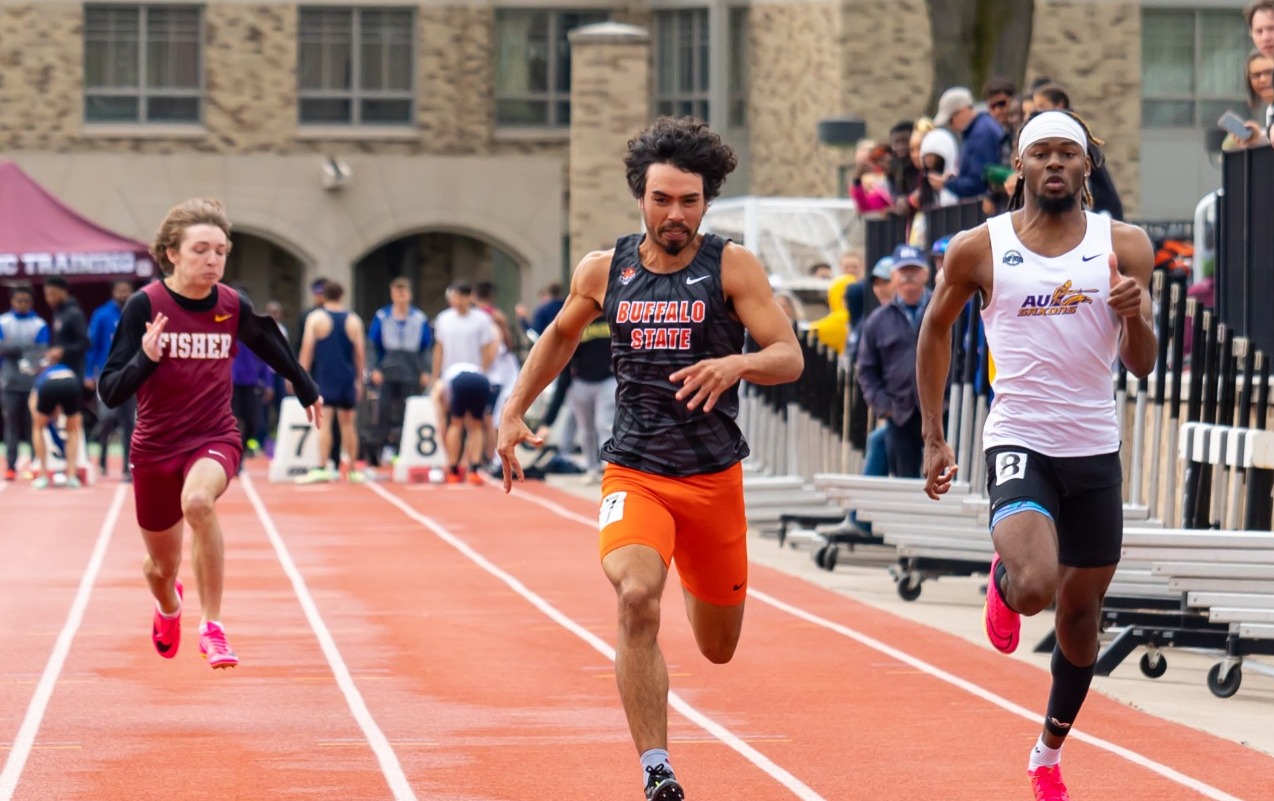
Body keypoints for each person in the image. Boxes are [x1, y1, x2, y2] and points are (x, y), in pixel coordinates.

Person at [496, 116, 803, 801]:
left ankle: (704, 597)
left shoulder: (731, 266)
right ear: (641, 195)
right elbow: (558, 337)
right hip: (635, 471)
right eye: (662, 199)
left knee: (718, 646)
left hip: (714, 478)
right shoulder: (605, 269)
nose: (674, 214)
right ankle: (656, 767)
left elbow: (790, 357)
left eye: (688, 201)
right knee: (636, 598)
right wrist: (514, 407)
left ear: (707, 200)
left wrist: (736, 363)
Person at [915, 110, 1156, 801]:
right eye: (1041, 153)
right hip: (1020, 436)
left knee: (1081, 619)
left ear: (1088, 166)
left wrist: (1134, 312)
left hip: (1094, 449)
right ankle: (1008, 573)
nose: (1055, 163)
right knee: (1035, 585)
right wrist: (934, 434)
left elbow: (1141, 364)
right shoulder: (979, 247)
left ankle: (1047, 751)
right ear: (1017, 166)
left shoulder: (1125, 245)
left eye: (1068, 154)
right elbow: (934, 331)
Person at [99, 198, 321, 670]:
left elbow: (269, 344)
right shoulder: (146, 305)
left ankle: (213, 627)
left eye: (221, 250)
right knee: (160, 568)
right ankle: (168, 606)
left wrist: (305, 387)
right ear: (172, 254)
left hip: (213, 436)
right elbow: (111, 391)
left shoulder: (231, 305)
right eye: (201, 249)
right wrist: (146, 359)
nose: (213, 260)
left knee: (198, 503)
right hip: (155, 447)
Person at [855, 244, 931, 478]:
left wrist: (947, 397)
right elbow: (866, 370)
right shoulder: (878, 320)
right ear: (894, 276)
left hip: (942, 412)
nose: (909, 276)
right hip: (900, 414)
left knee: (945, 479)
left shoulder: (942, 309)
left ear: (925, 274)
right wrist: (884, 406)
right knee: (905, 481)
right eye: (903, 271)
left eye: (915, 270)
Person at [298, 281, 366, 483]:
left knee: (324, 423)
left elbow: (307, 350)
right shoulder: (353, 320)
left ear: (324, 296)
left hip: (325, 378)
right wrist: (359, 380)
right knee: (348, 424)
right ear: (342, 295)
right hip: (346, 378)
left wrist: (300, 377)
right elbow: (360, 354)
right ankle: (352, 469)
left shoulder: (316, 318)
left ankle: (321, 467)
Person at [368, 277, 432, 465]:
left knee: (406, 409)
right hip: (388, 367)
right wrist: (374, 369)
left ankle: (402, 447)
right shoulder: (382, 316)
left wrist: (425, 371)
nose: (401, 297)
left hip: (410, 368)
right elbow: (373, 344)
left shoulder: (419, 318)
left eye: (404, 293)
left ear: (409, 295)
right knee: (384, 409)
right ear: (392, 294)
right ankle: (382, 446)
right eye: (397, 293)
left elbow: (426, 347)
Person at [86, 279, 136, 481]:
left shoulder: (136, 312)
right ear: (113, 292)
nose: (123, 294)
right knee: (106, 419)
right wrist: (89, 373)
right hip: (107, 375)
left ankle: (127, 467)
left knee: (128, 423)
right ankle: (102, 460)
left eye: (126, 290)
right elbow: (92, 345)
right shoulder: (102, 314)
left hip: (131, 374)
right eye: (120, 290)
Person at [0, 284, 48, 481]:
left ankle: (35, 465)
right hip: (9, 383)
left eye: (26, 301)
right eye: (19, 300)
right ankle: (11, 466)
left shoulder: (39, 324)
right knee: (11, 425)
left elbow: (42, 350)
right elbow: (2, 348)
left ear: (31, 302)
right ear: (12, 301)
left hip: (32, 383)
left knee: (33, 425)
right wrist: (27, 347)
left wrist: (12, 347)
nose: (22, 304)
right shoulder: (3, 322)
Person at [27, 363, 86, 489]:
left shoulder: (42, 377)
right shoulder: (68, 370)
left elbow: (32, 403)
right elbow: (78, 419)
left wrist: (41, 421)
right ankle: (71, 476)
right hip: (71, 385)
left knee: (37, 428)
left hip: (50, 386)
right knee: (73, 431)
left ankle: (42, 476)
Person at [435, 361, 492, 485]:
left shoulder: (441, 383)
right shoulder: (468, 368)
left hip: (461, 381)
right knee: (476, 426)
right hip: (483, 381)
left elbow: (444, 412)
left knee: (456, 423)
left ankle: (453, 470)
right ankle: (474, 470)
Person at [42, 276, 90, 384]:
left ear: (63, 291)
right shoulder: (57, 312)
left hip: (74, 371)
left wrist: (63, 350)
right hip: (59, 370)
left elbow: (85, 343)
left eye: (52, 294)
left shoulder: (74, 313)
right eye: (46, 295)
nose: (49, 298)